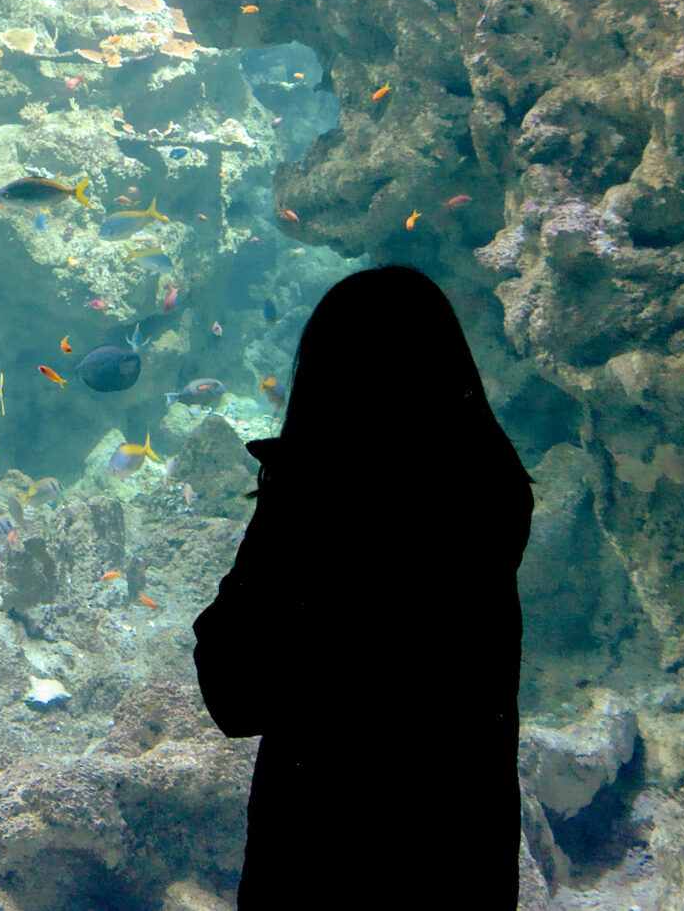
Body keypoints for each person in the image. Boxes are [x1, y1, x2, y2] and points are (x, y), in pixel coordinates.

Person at [193, 265, 532, 906]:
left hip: (328, 861)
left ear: (326, 382)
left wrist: (281, 507)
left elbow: (234, 694)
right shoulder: (493, 493)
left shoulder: (322, 511)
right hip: (463, 859)